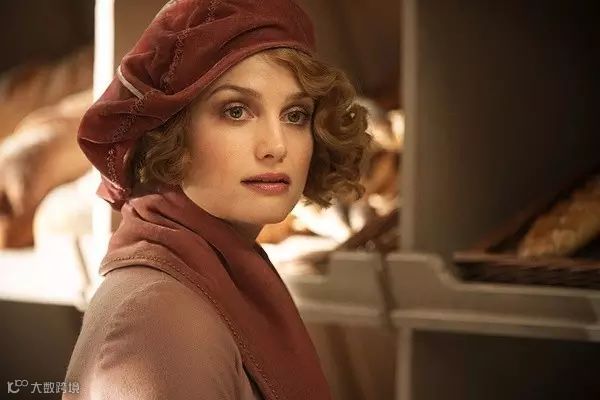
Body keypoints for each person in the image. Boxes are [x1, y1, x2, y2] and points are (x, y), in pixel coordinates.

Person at [63, 0, 372, 399]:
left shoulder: (211, 275)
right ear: (170, 131)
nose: (276, 146)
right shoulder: (160, 317)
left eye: (295, 115)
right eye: (236, 111)